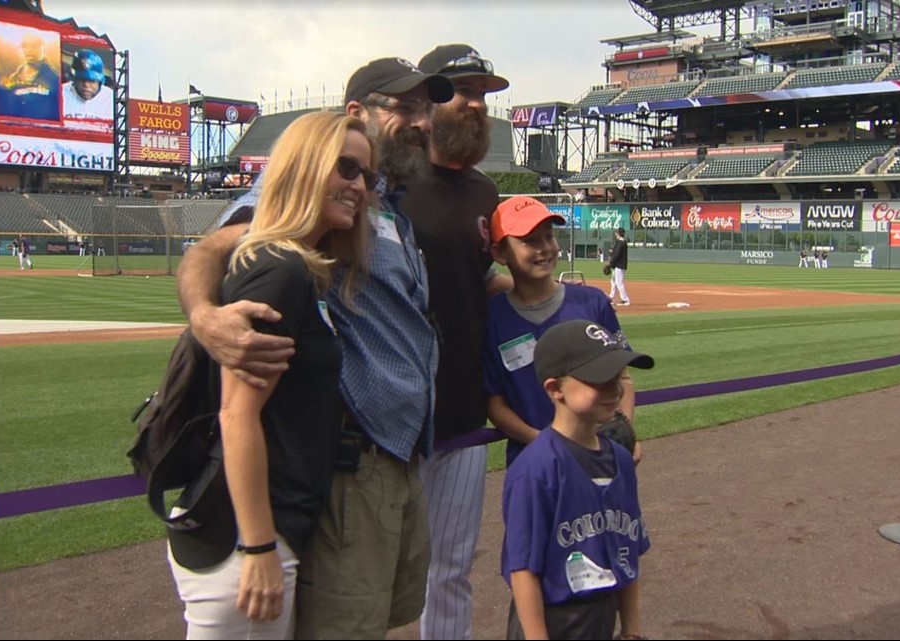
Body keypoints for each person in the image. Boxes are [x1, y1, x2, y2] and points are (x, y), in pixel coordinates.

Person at [176, 57, 454, 639]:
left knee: (383, 616)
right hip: (354, 461)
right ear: (357, 112)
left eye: (426, 110)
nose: (422, 122)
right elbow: (217, 248)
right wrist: (205, 316)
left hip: (400, 460)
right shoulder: (295, 222)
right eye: (405, 108)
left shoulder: (383, 207)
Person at [167, 110, 374, 640]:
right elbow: (237, 416)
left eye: (366, 176)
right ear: (304, 166)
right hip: (245, 537)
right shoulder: (278, 267)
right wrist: (258, 545)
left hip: (263, 529)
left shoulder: (299, 266)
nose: (359, 186)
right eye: (346, 168)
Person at [406, 43, 511, 641]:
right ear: (429, 98)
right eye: (464, 91)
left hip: (465, 412)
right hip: (392, 417)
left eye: (483, 95)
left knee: (450, 571)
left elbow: (474, 278)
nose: (476, 104)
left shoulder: (483, 193)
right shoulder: (389, 178)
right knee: (368, 571)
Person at [502, 319, 653, 640]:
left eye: (617, 377)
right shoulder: (536, 469)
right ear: (555, 389)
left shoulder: (622, 462)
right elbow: (523, 571)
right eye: (598, 378)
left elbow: (628, 559)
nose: (614, 389)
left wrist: (633, 630)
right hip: (550, 622)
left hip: (602, 617)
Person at [483, 196, 643, 470]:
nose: (545, 248)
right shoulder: (493, 318)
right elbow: (494, 403)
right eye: (530, 241)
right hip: (533, 463)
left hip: (601, 458)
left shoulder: (592, 302)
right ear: (499, 254)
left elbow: (623, 379)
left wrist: (625, 433)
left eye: (549, 237)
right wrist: (548, 444)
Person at [0, 33, 59, 121]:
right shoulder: (13, 78)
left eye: (34, 46)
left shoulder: (54, 80)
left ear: (43, 48)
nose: (29, 50)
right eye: (24, 47)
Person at [61, 49, 113, 123]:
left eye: (92, 81)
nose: (86, 85)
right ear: (74, 79)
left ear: (100, 81)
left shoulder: (111, 99)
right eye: (82, 79)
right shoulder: (59, 94)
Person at [607, 227, 631, 306]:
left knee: (619, 282)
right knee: (613, 281)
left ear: (619, 233)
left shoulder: (621, 242)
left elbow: (617, 254)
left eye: (617, 232)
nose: (615, 234)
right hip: (618, 265)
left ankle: (625, 300)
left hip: (620, 265)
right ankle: (611, 297)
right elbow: (614, 253)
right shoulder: (620, 242)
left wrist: (610, 264)